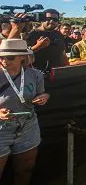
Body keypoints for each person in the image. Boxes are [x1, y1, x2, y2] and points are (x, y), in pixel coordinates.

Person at [0, 39, 49, 185]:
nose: (4, 61)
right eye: (1, 57)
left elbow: (43, 93)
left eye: (10, 57)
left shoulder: (35, 74)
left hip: (28, 126)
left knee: (25, 169)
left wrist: (44, 97)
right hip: (2, 129)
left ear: (22, 57)